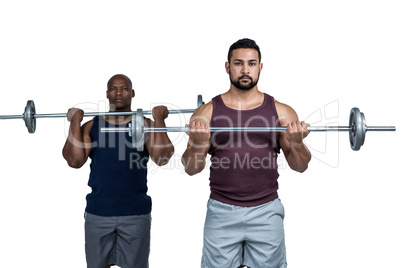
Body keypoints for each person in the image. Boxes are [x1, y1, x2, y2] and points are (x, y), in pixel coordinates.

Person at [182, 38, 311, 268]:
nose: (245, 70)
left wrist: (298, 144)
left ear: (260, 67)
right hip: (222, 210)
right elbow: (191, 169)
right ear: (227, 67)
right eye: (238, 63)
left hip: (266, 210)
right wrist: (200, 144)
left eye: (251, 64)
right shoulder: (206, 113)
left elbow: (300, 166)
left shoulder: (282, 112)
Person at [62, 74, 174, 268]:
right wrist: (74, 122)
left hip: (135, 213)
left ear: (132, 93)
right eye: (113, 89)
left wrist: (158, 120)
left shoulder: (145, 125)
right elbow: (74, 161)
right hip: (99, 212)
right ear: (107, 94)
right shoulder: (92, 125)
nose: (119, 93)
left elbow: (162, 158)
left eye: (124, 88)